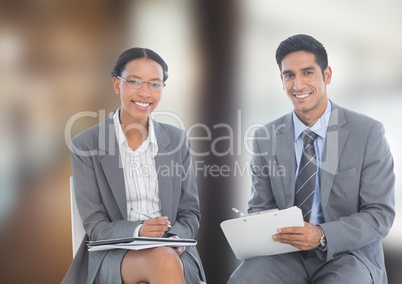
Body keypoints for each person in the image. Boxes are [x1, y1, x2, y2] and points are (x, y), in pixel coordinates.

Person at [228, 34, 395, 283]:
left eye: (307, 72)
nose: (297, 85)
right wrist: (253, 229)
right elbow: (261, 207)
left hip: (347, 254)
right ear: (282, 80)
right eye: (289, 75)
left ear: (326, 75)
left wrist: (321, 234)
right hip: (285, 254)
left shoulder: (368, 132)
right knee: (243, 279)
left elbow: (380, 214)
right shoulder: (266, 137)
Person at [62, 48, 206, 283]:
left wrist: (174, 239)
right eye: (134, 82)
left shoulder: (177, 140)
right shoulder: (86, 144)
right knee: (164, 261)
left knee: (165, 258)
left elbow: (190, 212)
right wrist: (138, 230)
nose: (145, 93)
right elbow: (94, 224)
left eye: (155, 84)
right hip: (113, 253)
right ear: (117, 85)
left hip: (172, 249)